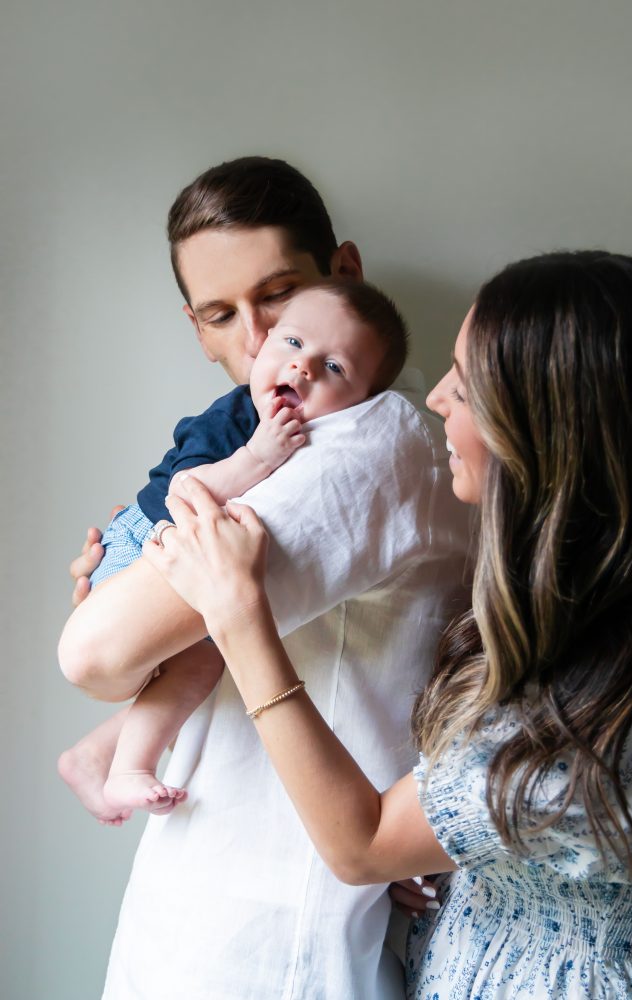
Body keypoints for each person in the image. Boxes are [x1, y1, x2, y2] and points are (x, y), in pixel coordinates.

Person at [142, 250, 632, 999]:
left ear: (560, 430)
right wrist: (462, 854)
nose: (439, 397)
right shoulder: (556, 606)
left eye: (472, 381)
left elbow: (361, 846)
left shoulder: (623, 687)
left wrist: (238, 612)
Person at [62, 156, 470, 999]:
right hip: (212, 897)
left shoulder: (366, 440)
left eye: (277, 298)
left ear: (343, 276)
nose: (256, 342)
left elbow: (92, 658)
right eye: (220, 314)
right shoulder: (263, 441)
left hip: (265, 936)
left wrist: (122, 627)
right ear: (196, 327)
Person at [59, 279, 409, 822]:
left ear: (362, 404)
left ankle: (95, 754)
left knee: (204, 665)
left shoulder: (354, 438)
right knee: (201, 664)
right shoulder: (240, 418)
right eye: (292, 344)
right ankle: (123, 766)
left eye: (334, 368)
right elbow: (185, 491)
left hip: (161, 545)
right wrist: (257, 456)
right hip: (145, 538)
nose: (303, 369)